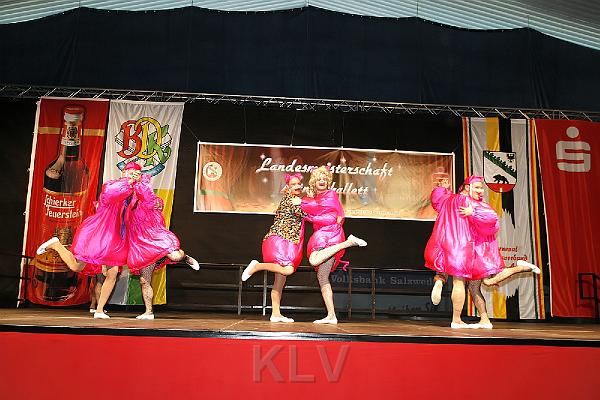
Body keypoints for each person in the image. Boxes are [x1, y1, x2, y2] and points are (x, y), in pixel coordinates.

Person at [425, 175, 540, 329]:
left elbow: (437, 200)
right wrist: (474, 212)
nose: (481, 191)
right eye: (478, 187)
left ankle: (444, 287)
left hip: (460, 250)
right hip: (467, 252)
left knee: (479, 283)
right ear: (468, 187)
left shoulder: (451, 200)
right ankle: (464, 319)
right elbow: (492, 220)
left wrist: (443, 189)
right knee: (475, 283)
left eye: (481, 188)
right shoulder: (473, 203)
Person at [36, 163, 142, 319]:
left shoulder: (133, 192)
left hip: (115, 237)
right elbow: (110, 194)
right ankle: (56, 244)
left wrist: (139, 186)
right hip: (100, 233)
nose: (133, 175)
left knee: (112, 273)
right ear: (123, 172)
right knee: (77, 266)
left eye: (136, 173)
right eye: (130, 172)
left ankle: (99, 310)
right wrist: (129, 181)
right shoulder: (111, 185)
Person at [125, 169, 199, 320]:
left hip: (156, 237)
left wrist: (140, 182)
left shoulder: (153, 200)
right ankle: (148, 312)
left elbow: (147, 195)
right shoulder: (127, 201)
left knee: (176, 256)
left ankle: (185, 257)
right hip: (141, 243)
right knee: (144, 280)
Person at [301, 166, 367, 324]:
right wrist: (305, 204)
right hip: (322, 236)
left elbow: (319, 211)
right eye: (319, 179)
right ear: (314, 182)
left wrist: (302, 204)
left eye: (324, 179)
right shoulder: (314, 198)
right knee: (322, 276)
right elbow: (313, 211)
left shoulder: (330, 194)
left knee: (314, 260)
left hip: (330, 235)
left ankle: (348, 243)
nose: (322, 181)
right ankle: (331, 315)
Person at [242, 173, 306, 323]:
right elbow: (305, 213)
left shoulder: (291, 199)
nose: (297, 186)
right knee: (288, 270)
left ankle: (275, 314)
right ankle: (257, 266)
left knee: (280, 281)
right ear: (288, 187)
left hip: (283, 240)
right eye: (293, 184)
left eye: (298, 184)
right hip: (282, 240)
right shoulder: (293, 200)